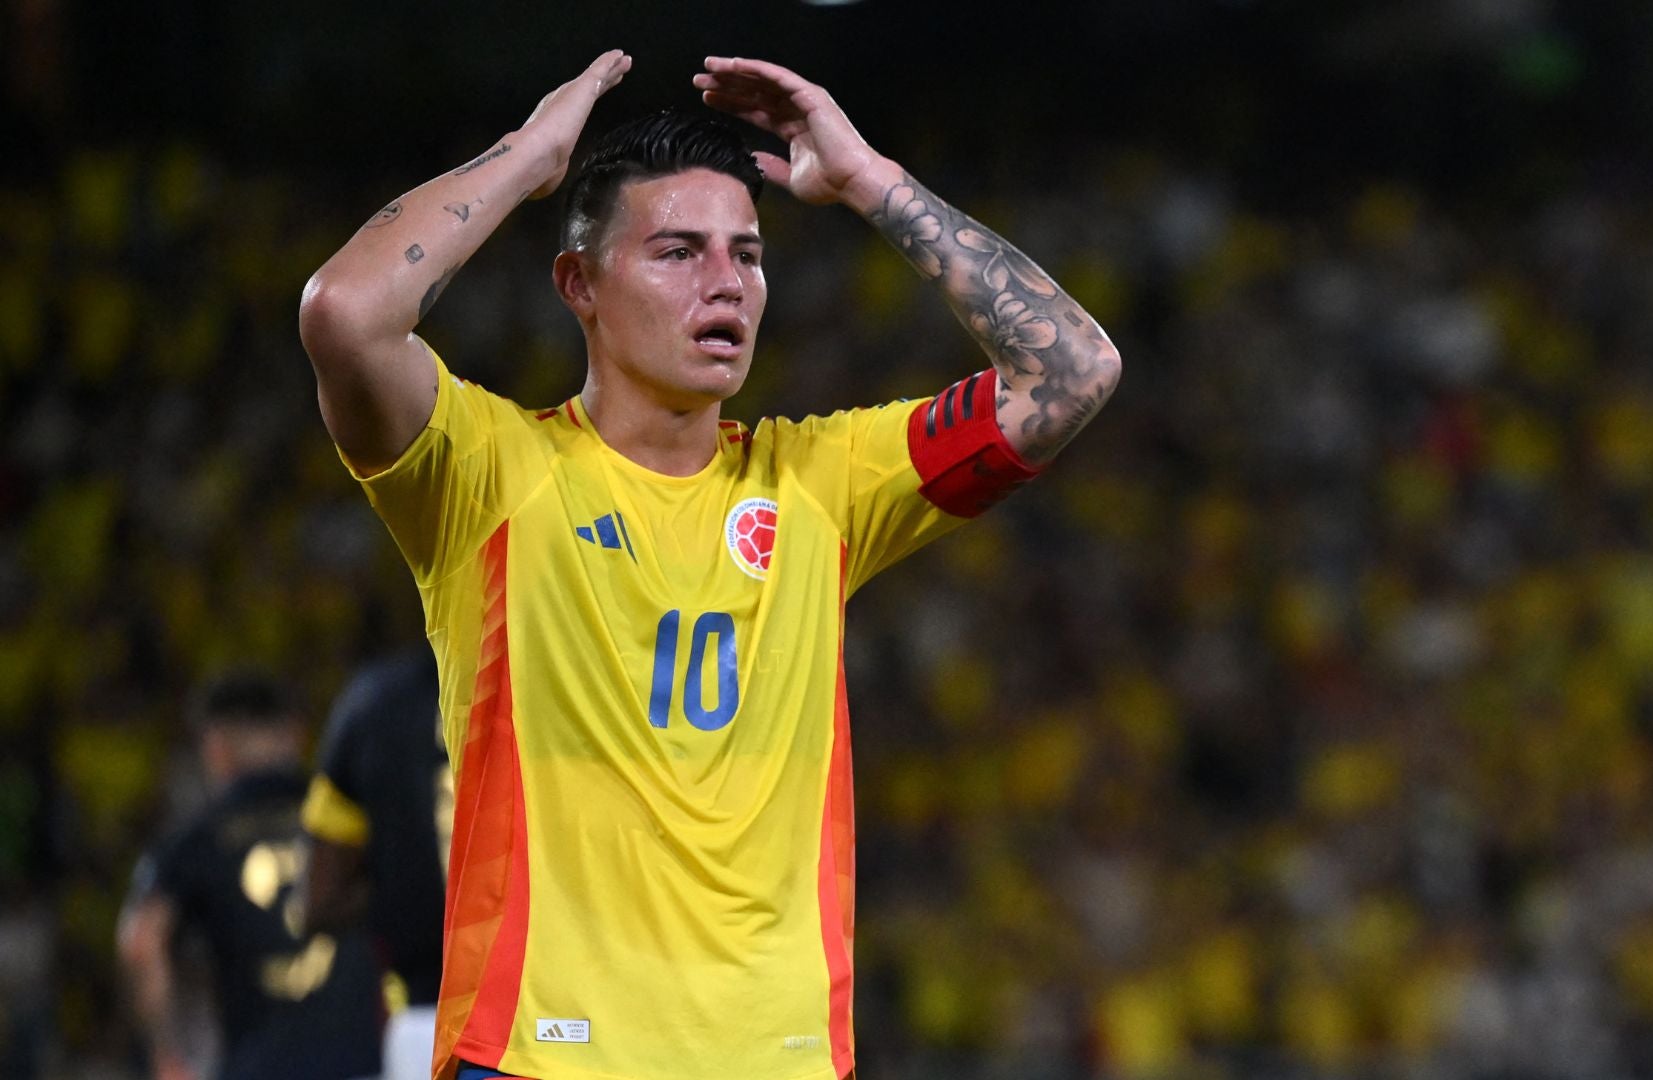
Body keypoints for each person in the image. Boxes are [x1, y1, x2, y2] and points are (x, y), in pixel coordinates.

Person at [297, 51, 1121, 1080]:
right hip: (540, 1058)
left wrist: (869, 180)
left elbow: (1075, 369)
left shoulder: (821, 484)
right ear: (579, 285)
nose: (725, 281)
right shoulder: (490, 474)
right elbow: (345, 313)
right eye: (678, 252)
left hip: (775, 1060)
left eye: (748, 253)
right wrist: (526, 160)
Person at [118, 673, 384, 1080]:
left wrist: (167, 1053)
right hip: (364, 1061)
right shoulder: (348, 823)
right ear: (297, 735)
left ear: (216, 746)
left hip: (258, 1066)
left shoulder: (195, 839)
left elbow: (141, 944)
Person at [298, 644, 448, 1080]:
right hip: (565, 1021)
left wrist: (404, 876)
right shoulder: (569, 684)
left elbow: (316, 902)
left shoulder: (375, 704)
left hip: (427, 1025)